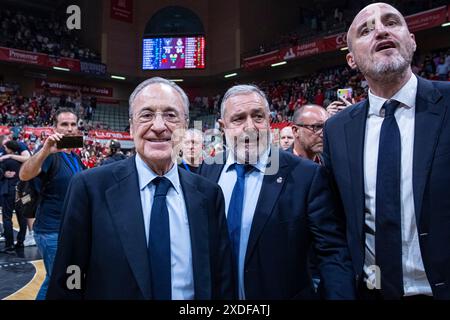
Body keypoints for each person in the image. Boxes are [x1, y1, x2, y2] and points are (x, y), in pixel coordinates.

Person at [46, 77, 234, 300]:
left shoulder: (209, 194)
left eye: (170, 115)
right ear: (132, 124)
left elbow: (221, 279)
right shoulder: (89, 189)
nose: (158, 126)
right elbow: (70, 274)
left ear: (185, 124)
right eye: (146, 115)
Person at [322, 2, 450, 300]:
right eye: (366, 30)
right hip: (370, 291)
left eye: (391, 22)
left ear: (412, 40)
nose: (380, 30)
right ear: (351, 60)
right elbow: (336, 225)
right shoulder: (337, 130)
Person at [199, 84, 355, 300]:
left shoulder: (306, 176)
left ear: (269, 122)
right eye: (238, 119)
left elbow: (332, 254)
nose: (250, 126)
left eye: (258, 117)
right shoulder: (206, 172)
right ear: (222, 126)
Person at [19, 108, 85, 300]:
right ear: (54, 127)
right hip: (51, 231)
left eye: (73, 124)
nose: (70, 129)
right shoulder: (49, 153)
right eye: (64, 124)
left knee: (65, 278)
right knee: (56, 278)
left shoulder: (74, 156)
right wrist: (45, 150)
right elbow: (24, 174)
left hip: (68, 229)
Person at [0, 140, 27, 252]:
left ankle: (9, 245)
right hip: (24, 191)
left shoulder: (5, 161)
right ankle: (20, 242)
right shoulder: (23, 160)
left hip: (9, 191)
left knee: (7, 218)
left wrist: (3, 174)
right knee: (23, 217)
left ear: (9, 149)